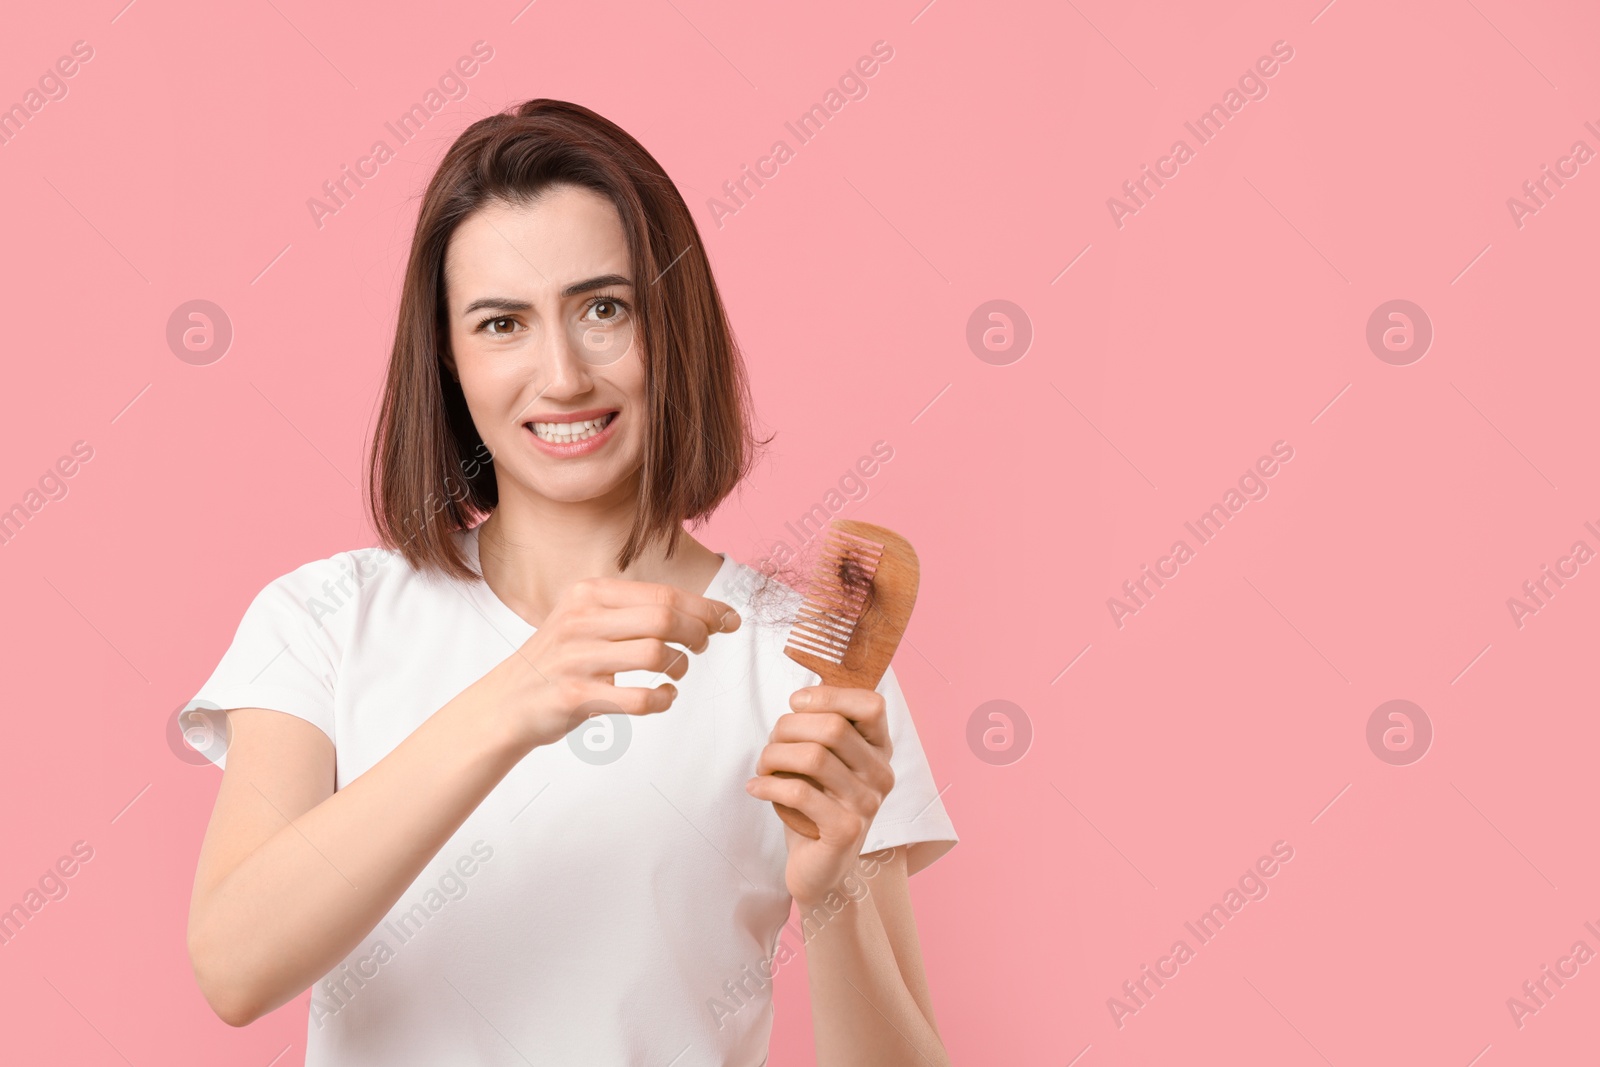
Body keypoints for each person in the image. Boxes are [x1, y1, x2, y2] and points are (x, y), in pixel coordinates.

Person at [182, 98, 957, 1066]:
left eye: (604, 308)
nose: (560, 374)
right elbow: (233, 966)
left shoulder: (803, 668)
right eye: (501, 322)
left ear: (672, 324)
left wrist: (830, 887)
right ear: (449, 359)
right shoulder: (326, 619)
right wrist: (516, 694)